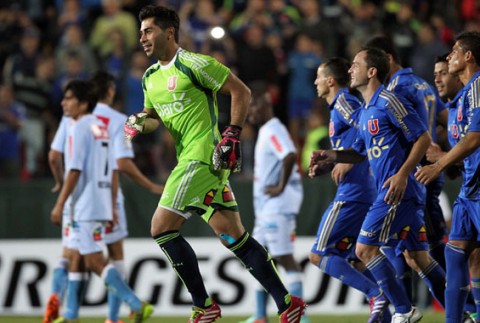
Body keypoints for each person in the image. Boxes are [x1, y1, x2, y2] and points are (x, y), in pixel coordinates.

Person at [123, 5, 306, 323]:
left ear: (169, 32)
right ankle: (287, 302)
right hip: (199, 162)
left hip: (203, 156)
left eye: (148, 30)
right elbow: (152, 118)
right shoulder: (150, 77)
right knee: (234, 236)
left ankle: (203, 306)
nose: (142, 37)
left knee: (161, 228)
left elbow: (241, 91)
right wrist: (140, 122)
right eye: (140, 32)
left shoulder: (194, 64)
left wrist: (233, 134)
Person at [309, 47, 443, 322]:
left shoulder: (388, 101)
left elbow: (422, 139)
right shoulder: (368, 110)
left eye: (355, 64)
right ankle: (467, 310)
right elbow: (358, 152)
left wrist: (403, 173)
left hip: (398, 190)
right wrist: (330, 157)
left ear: (372, 72)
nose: (350, 69)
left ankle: (403, 311)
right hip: (394, 190)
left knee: (363, 250)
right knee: (419, 258)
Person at [44, 71, 164, 323]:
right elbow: (114, 168)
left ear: (84, 101)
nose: (63, 103)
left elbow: (72, 168)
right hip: (103, 198)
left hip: (83, 203)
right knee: (80, 255)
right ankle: (72, 314)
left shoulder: (76, 126)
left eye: (68, 99)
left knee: (91, 258)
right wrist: (111, 205)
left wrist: (59, 203)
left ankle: (134, 303)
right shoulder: (103, 127)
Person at [365, 35, 449, 301]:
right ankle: (460, 308)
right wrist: (446, 155)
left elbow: (417, 133)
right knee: (420, 253)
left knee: (401, 250)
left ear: (386, 59)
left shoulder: (395, 91)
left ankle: (405, 308)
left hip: (413, 175)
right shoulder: (423, 84)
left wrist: (408, 168)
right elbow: (443, 120)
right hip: (430, 173)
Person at [308, 57, 390, 323]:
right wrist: (329, 161)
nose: (315, 82)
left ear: (330, 81)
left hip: (353, 194)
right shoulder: (336, 108)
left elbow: (365, 127)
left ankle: (378, 293)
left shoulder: (344, 100)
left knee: (319, 255)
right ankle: (384, 314)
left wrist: (347, 156)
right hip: (361, 191)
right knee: (355, 258)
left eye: (319, 77)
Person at [415, 31, 480, 323]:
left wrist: (438, 165)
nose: (450, 55)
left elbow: (476, 137)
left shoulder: (478, 85)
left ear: (468, 57)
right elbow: (464, 153)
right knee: (455, 256)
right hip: (469, 192)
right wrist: (443, 158)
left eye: (454, 51)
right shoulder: (457, 104)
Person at [239, 89, 308, 323]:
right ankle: (260, 316)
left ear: (264, 104)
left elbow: (289, 155)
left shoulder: (274, 129)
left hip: (278, 206)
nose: (249, 114)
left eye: (252, 107)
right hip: (266, 208)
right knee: (257, 258)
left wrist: (279, 187)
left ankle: (301, 316)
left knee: (284, 257)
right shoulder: (266, 131)